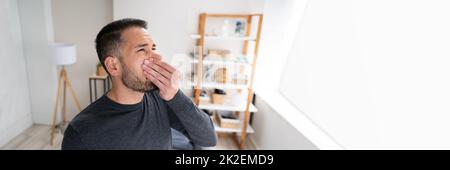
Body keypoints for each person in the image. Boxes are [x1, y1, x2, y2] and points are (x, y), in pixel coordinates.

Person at [61, 18, 217, 150]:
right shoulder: (81, 132)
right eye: (142, 50)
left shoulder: (161, 98)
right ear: (113, 66)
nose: (157, 56)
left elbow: (208, 139)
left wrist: (175, 95)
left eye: (153, 48)